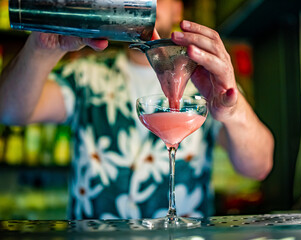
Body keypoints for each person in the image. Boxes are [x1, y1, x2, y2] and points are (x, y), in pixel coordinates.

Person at [0, 0, 274, 219]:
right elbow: (10, 111)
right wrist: (42, 48)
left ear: (178, 7)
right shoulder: (86, 76)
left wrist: (233, 110)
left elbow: (258, 166)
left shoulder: (205, 85)